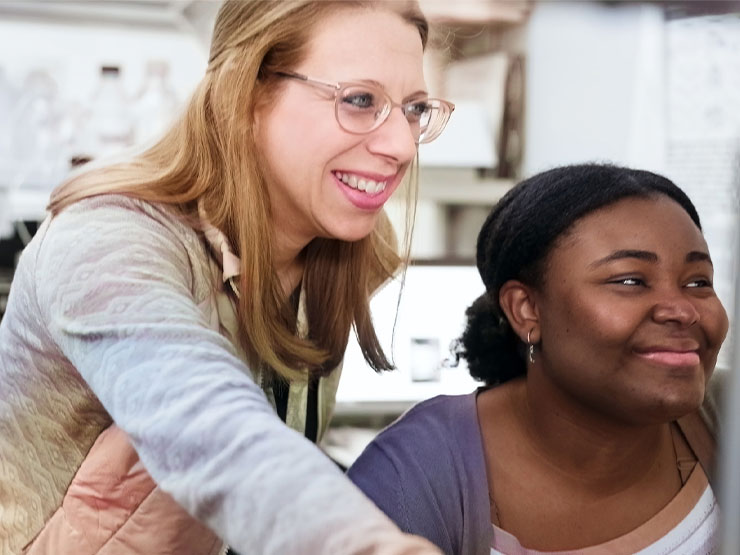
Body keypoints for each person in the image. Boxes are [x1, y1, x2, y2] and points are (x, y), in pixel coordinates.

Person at [0, 1, 455, 553]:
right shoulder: (108, 240)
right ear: (248, 95)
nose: (402, 146)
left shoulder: (348, 245)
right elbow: (212, 428)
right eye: (360, 101)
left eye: (413, 109)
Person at [348, 163, 729, 555]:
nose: (682, 310)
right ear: (527, 309)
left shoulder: (724, 416)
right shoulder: (414, 476)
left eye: (698, 282)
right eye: (630, 280)